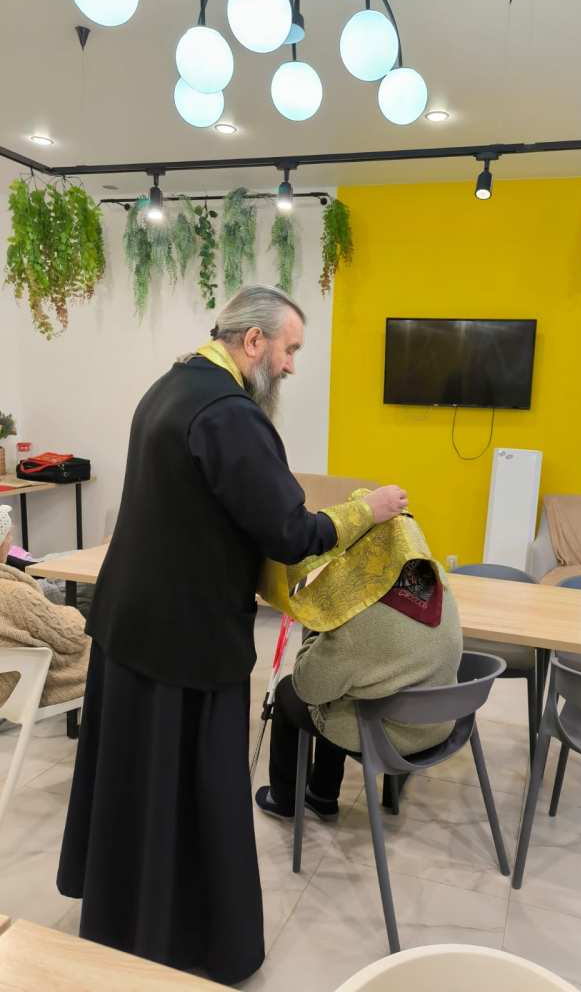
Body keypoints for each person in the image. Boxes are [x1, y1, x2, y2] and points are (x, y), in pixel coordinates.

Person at [56, 285, 408, 986]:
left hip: (133, 624)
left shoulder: (169, 387)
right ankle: (196, 943)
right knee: (193, 790)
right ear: (254, 342)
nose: (292, 365)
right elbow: (290, 531)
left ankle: (127, 922)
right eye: (290, 349)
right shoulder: (228, 413)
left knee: (138, 783)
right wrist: (367, 510)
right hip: (186, 639)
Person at [254, 504, 463, 820]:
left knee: (290, 692)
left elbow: (308, 687)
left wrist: (321, 626)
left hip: (392, 735)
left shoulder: (359, 615)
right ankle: (321, 794)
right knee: (351, 683)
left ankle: (283, 799)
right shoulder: (439, 581)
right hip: (440, 723)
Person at [0, 505, 89, 710]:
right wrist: (71, 613)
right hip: (18, 687)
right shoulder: (14, 594)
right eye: (9, 535)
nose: (11, 541)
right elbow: (72, 638)